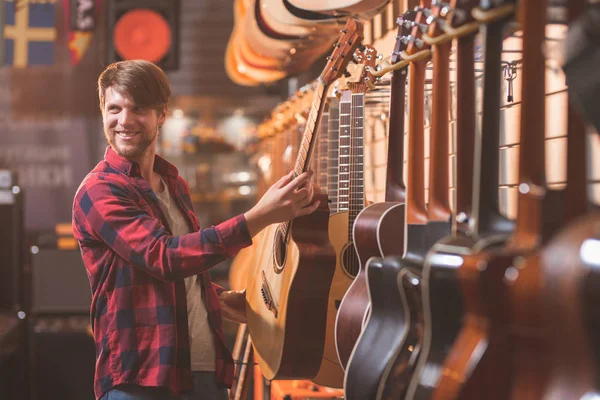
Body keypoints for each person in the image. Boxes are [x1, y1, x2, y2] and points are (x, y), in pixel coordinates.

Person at [72, 60, 320, 400]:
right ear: (103, 112)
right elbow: (164, 257)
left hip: (203, 371)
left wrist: (213, 298)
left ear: (162, 115)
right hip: (141, 379)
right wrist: (261, 216)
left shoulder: (173, 184)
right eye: (114, 109)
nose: (124, 120)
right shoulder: (99, 190)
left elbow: (170, 275)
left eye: (138, 108)